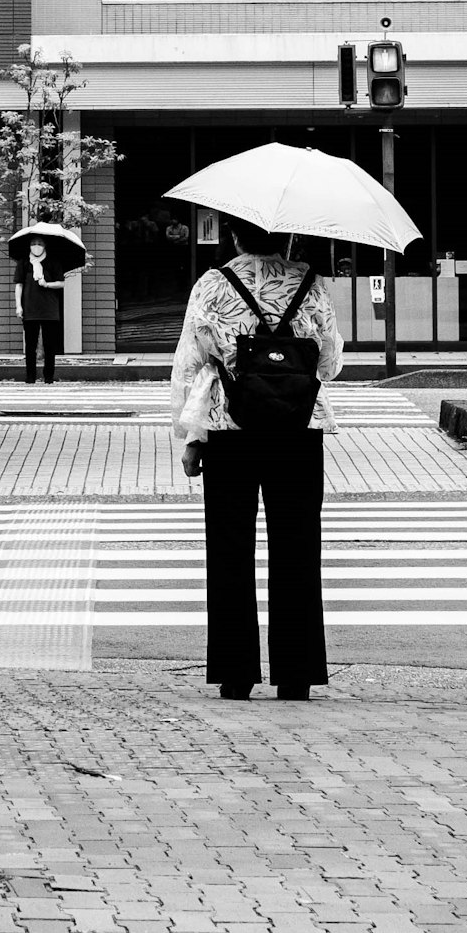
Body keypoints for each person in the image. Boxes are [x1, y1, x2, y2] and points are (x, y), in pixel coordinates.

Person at [167, 220, 341, 703]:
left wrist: (189, 434)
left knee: (229, 548)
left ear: (234, 238)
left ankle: (236, 673)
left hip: (229, 428)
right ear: (285, 238)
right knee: (298, 549)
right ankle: (297, 673)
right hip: (298, 428)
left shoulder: (213, 284)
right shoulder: (311, 284)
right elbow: (329, 363)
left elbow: (190, 363)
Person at [11, 228, 68, 384]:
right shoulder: (23, 263)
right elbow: (19, 285)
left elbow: (61, 283)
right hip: (29, 308)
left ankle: (48, 377)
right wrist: (18, 306)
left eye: (40, 243)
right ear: (29, 246)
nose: (36, 246)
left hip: (49, 309)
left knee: (50, 346)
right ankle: (30, 377)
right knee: (30, 346)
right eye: (33, 243)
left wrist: (47, 284)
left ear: (45, 245)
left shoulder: (53, 262)